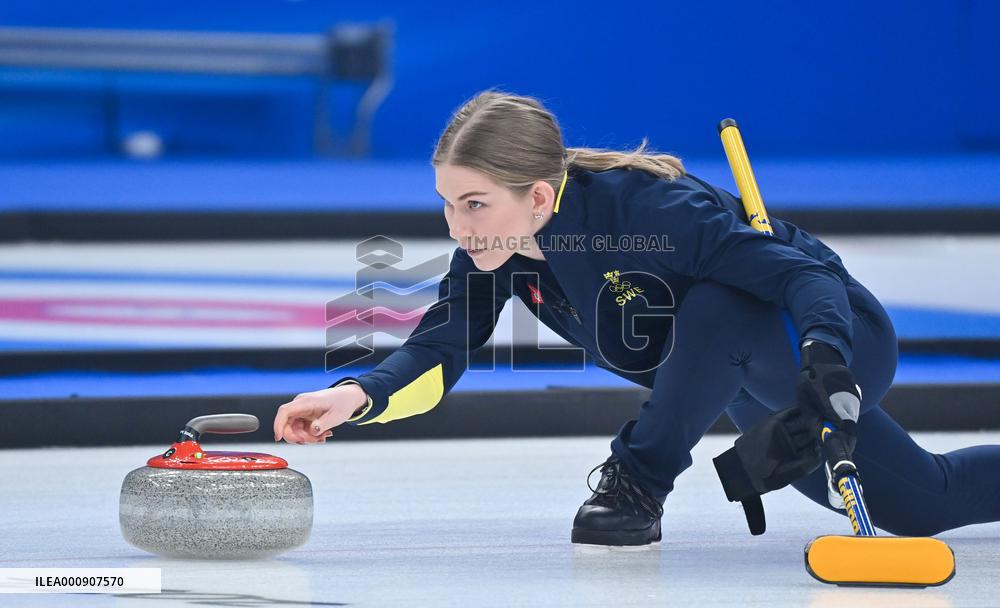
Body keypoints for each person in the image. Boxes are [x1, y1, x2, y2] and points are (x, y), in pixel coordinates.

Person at [273, 90, 1000, 546]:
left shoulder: (649, 214)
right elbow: (441, 348)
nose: (457, 227)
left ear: (536, 195)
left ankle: (638, 483)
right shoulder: (497, 252)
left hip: (829, 342)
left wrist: (827, 355)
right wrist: (360, 396)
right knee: (924, 502)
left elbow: (805, 275)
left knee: (715, 304)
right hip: (743, 383)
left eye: (473, 204)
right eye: (446, 203)